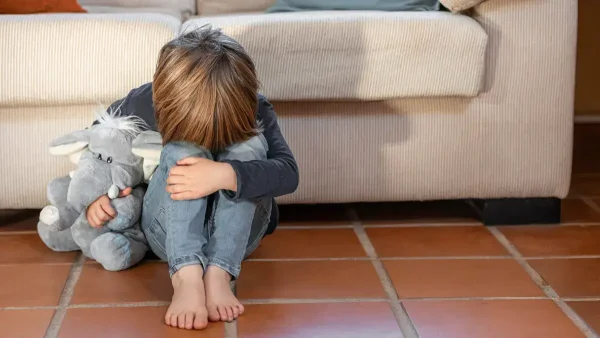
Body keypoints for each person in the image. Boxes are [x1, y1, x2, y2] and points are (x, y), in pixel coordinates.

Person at [85, 26, 299, 330]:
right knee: (181, 150)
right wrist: (97, 195)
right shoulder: (146, 101)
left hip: (239, 239)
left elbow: (289, 174)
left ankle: (219, 273)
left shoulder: (256, 107)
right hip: (168, 233)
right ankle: (185, 276)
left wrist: (226, 174)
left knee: (249, 146)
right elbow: (100, 140)